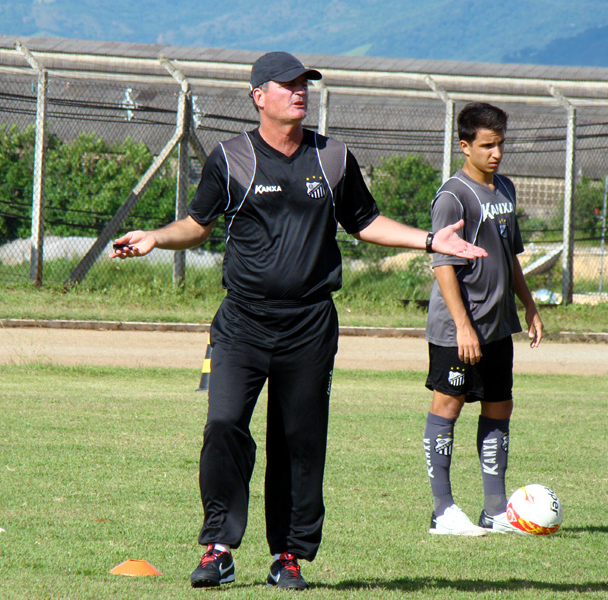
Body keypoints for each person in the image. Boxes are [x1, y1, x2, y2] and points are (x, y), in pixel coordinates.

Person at [111, 51, 486, 589]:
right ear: (259, 96)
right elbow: (197, 223)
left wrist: (430, 240)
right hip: (241, 322)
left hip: (309, 325)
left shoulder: (333, 157)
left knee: (299, 440)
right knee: (222, 424)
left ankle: (287, 556)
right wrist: (155, 237)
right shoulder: (231, 158)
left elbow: (365, 221)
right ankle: (219, 548)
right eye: (287, 85)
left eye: (304, 83)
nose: (299, 91)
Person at [422, 102, 543, 536]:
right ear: (465, 146)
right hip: (458, 329)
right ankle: (443, 511)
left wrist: (529, 305)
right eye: (487, 145)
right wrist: (463, 326)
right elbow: (442, 265)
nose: (496, 153)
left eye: (500, 144)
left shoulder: (505, 188)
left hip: (497, 325)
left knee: (499, 404)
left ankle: (494, 510)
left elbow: (510, 255)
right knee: (448, 405)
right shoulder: (453, 196)